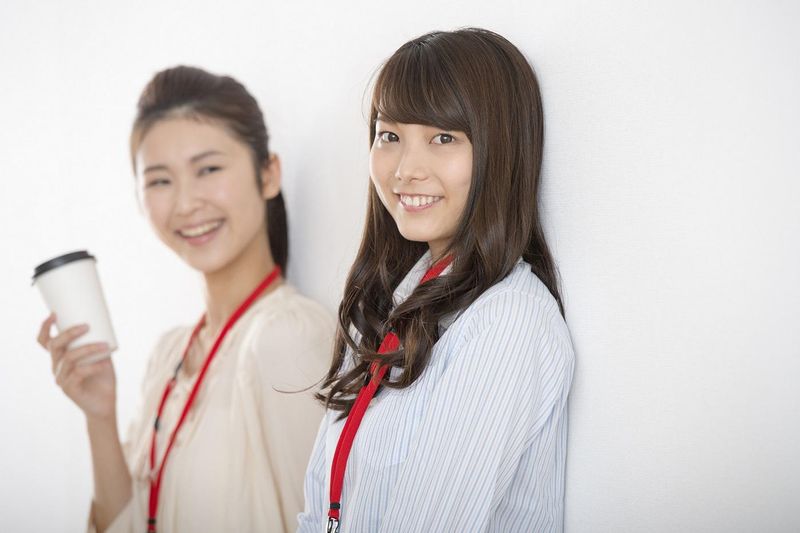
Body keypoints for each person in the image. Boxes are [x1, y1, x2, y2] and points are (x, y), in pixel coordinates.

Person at [298, 28, 575, 532]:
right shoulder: (392, 301)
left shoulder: (508, 321)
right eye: (389, 136)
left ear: (500, 150)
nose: (406, 169)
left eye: (443, 138)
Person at [37, 66, 334, 533]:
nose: (185, 203)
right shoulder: (169, 354)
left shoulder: (288, 338)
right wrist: (99, 414)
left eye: (208, 170)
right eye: (160, 181)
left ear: (268, 174)